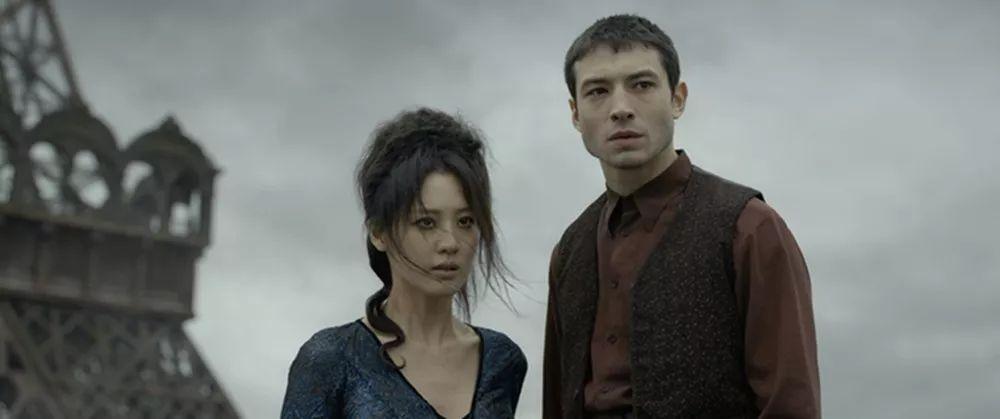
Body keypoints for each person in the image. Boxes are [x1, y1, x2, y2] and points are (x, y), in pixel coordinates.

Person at [543, 14, 820, 419]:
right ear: (575, 114)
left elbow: (790, 406)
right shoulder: (569, 251)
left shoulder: (749, 228)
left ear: (677, 98)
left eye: (641, 85)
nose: (621, 108)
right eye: (598, 91)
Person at [281, 108, 526, 418]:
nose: (450, 243)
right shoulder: (330, 360)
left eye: (465, 221)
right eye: (426, 222)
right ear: (378, 233)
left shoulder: (501, 361)